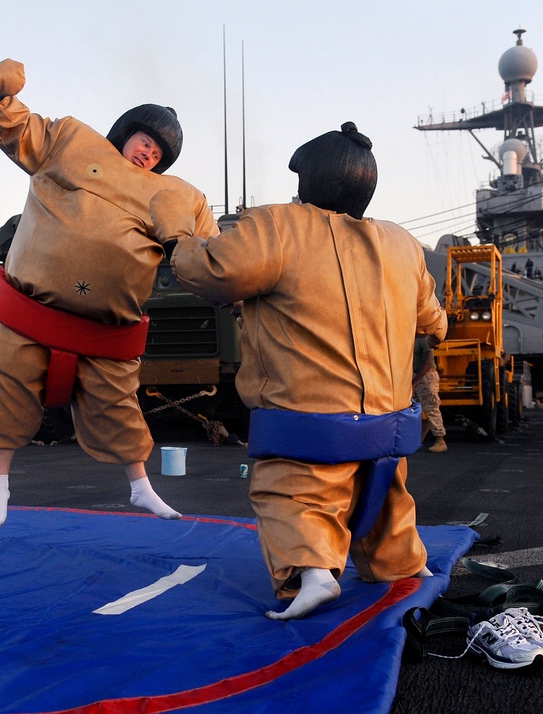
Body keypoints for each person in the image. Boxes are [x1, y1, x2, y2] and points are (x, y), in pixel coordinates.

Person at [151, 122, 447, 620]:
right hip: (390, 423)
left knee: (291, 492)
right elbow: (433, 321)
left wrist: (179, 237)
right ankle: (402, 564)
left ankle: (313, 574)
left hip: (308, 419)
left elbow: (213, 272)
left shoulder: (278, 226)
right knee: (387, 498)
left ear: (311, 182)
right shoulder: (402, 244)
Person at [0, 58, 219, 531]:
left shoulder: (179, 195)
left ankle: (141, 488)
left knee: (119, 411)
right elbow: (19, 130)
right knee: (6, 395)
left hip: (107, 330)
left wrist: (238, 271)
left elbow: (211, 251)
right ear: (128, 131)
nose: (150, 154)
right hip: (29, 310)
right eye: (146, 141)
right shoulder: (72, 140)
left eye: (159, 152)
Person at [413, 336, 448, 453]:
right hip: (416, 375)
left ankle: (440, 440)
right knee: (413, 408)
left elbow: (427, 362)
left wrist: (416, 380)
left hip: (426, 377)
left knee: (431, 407)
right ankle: (418, 439)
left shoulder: (423, 339)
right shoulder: (410, 338)